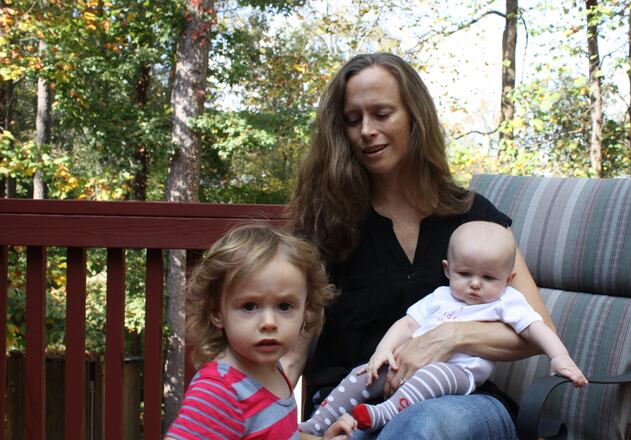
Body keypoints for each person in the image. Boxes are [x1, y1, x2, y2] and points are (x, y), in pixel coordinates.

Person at [285, 52, 557, 440]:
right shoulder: (329, 224)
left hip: (461, 402)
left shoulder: (475, 218)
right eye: (352, 119)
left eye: (382, 114)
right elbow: (292, 346)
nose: (366, 130)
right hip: (349, 405)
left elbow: (538, 329)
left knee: (419, 425)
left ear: (415, 117)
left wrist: (448, 337)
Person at [299, 221, 587, 434]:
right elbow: (408, 323)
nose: (475, 283)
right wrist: (383, 351)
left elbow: (536, 328)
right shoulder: (440, 296)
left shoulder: (508, 301)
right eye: (464, 274)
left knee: (436, 374)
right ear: (448, 269)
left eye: (488, 277)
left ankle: (384, 413)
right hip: (406, 367)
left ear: (508, 279)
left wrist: (559, 357)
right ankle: (315, 424)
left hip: (458, 375)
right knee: (363, 373)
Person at [165, 223, 357, 440]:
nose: (268, 322)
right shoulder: (220, 391)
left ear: (306, 311)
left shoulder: (273, 371)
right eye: (249, 306)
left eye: (284, 306)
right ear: (217, 312)